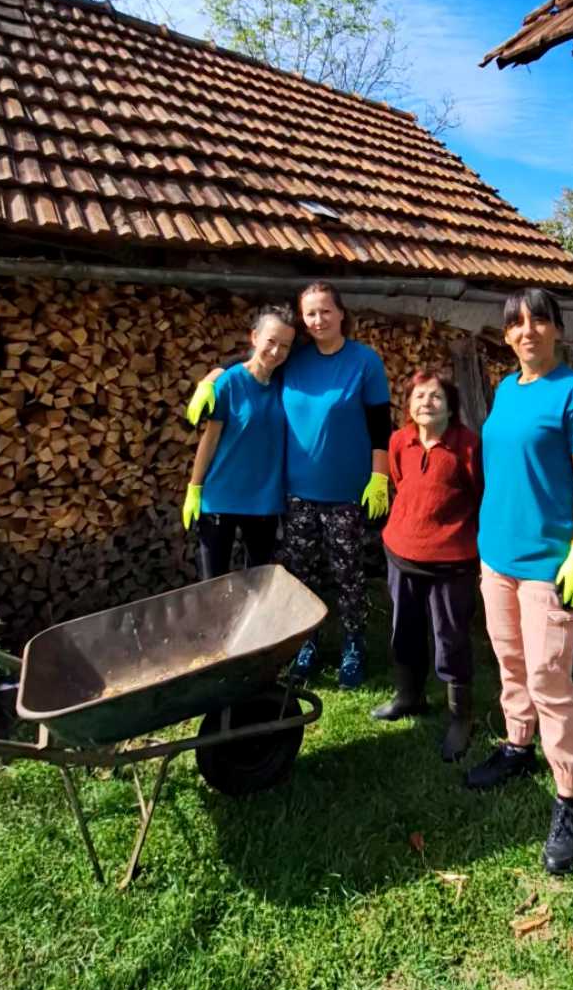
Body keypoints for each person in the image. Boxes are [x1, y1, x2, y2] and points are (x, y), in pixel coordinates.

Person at [465, 287, 573, 877]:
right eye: (517, 324)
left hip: (548, 562)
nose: (528, 331)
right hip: (496, 556)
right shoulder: (504, 388)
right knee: (510, 661)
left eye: (539, 321)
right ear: (506, 337)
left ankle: (570, 801)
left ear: (557, 329)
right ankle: (518, 746)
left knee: (551, 677)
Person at [187, 281, 392, 689]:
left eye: (325, 311)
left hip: (346, 492)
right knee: (301, 573)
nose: (318, 320)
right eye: (310, 314)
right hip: (296, 493)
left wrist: (380, 475)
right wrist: (208, 380)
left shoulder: (364, 361)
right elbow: (248, 361)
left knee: (348, 573)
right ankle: (308, 643)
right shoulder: (296, 358)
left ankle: (353, 643)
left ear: (341, 314)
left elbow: (380, 423)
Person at [372, 369, 481, 762]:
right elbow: (401, 481)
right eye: (419, 396)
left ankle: (460, 717)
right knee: (405, 629)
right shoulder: (400, 441)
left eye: (435, 396)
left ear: (451, 406)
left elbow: (480, 495)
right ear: (409, 405)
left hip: (451, 562)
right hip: (401, 553)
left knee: (450, 638)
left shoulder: (468, 447)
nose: (426, 403)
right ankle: (409, 696)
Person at [182, 303, 297, 579]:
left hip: (264, 502)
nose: (276, 351)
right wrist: (194, 488)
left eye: (284, 346)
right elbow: (209, 440)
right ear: (254, 337)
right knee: (214, 584)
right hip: (220, 497)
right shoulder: (229, 383)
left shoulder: (287, 383)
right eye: (270, 341)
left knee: (257, 585)